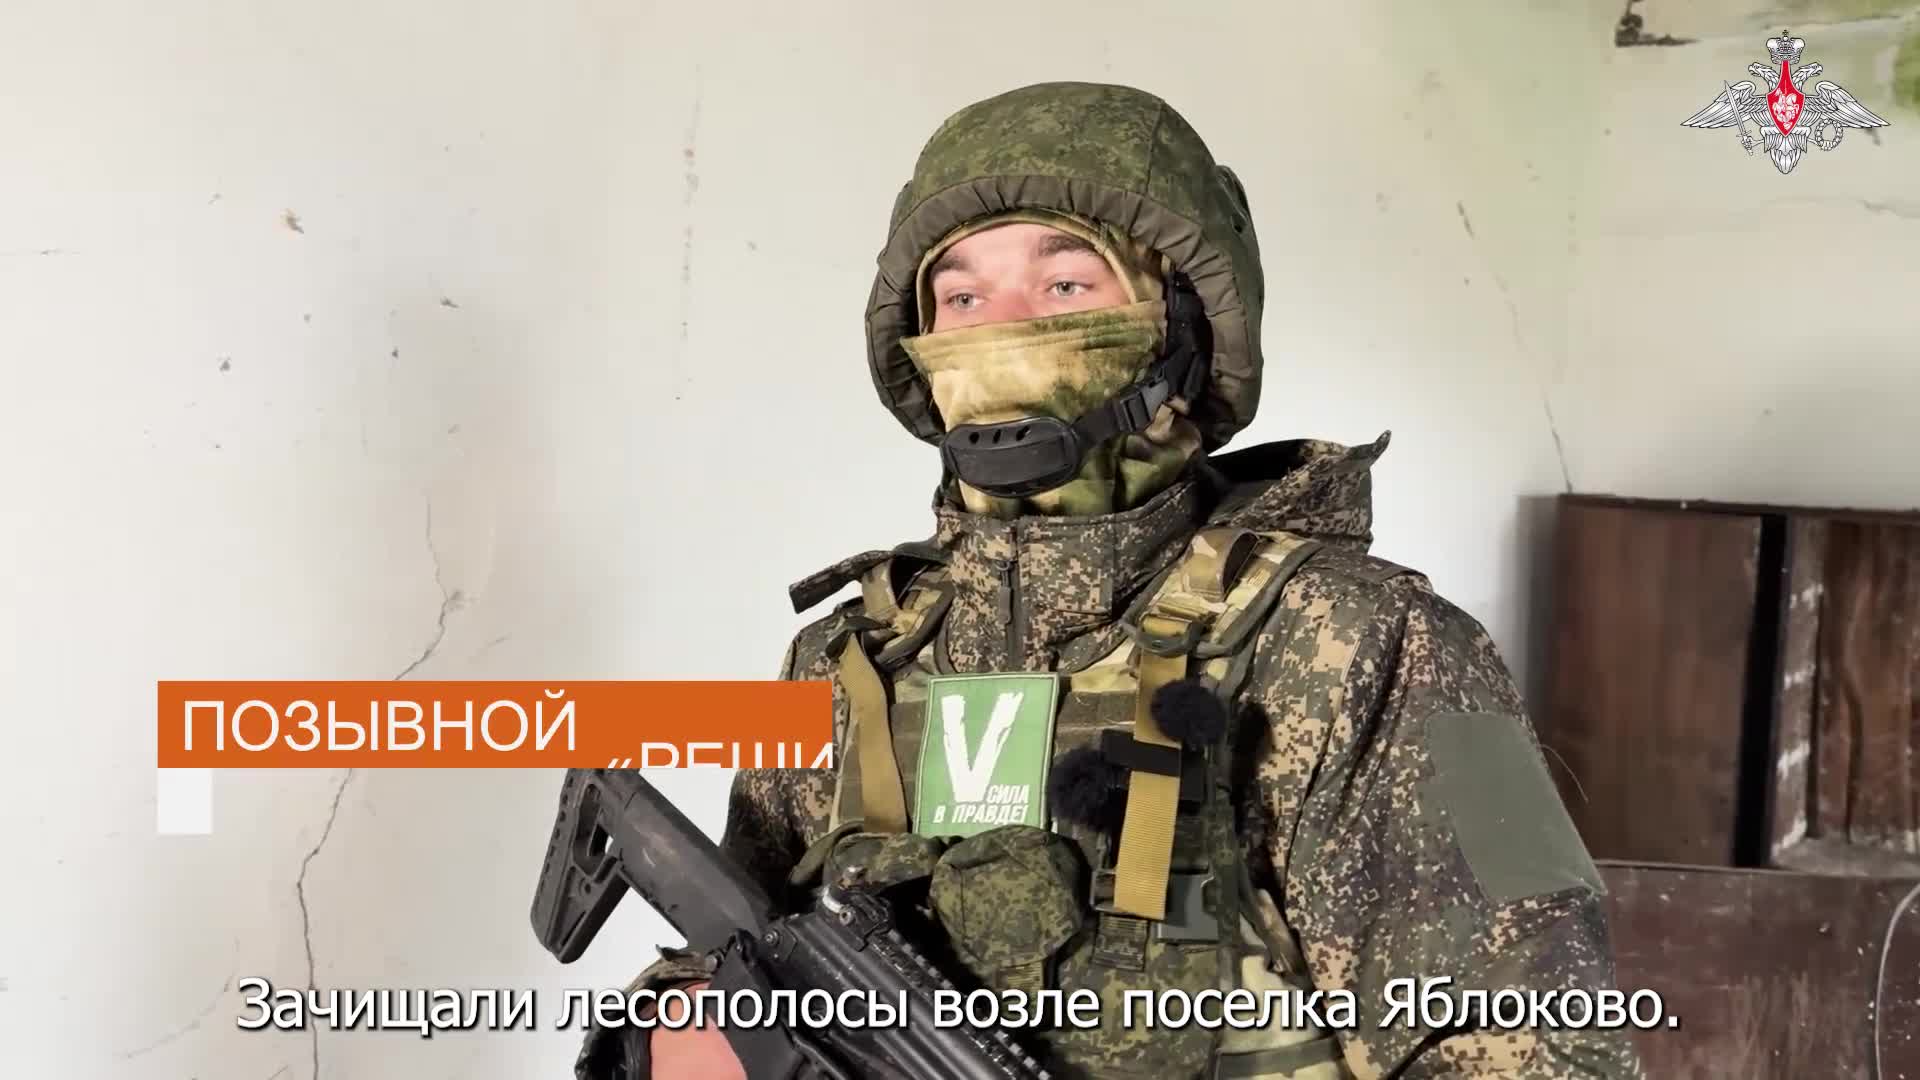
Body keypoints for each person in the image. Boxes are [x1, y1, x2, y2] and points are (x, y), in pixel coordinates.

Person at [578, 81, 1645, 1080]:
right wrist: (685, 1027)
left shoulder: (1367, 642)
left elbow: (1540, 1045)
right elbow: (737, 958)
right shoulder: (851, 658)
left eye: (1064, 285)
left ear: (1179, 329)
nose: (1003, 331)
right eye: (962, 295)